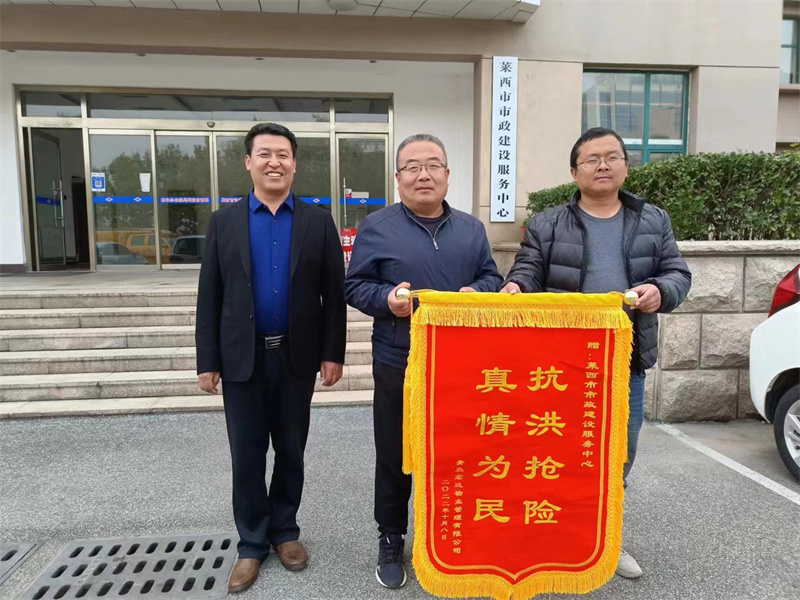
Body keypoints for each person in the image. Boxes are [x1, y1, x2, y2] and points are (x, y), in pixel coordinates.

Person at [501, 127, 691, 579]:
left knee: (616, 455)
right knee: (552, 453)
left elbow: (677, 273)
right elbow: (528, 269)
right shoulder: (548, 224)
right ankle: (549, 536)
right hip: (558, 366)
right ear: (575, 172)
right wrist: (516, 287)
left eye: (612, 157)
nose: (603, 165)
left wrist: (660, 289)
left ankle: (606, 540)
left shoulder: (652, 220)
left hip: (624, 363)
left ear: (625, 165)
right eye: (591, 159)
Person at [345, 133, 503, 589]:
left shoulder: (471, 229)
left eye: (433, 165)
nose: (423, 175)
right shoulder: (377, 226)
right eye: (412, 166)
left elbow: (492, 276)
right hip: (400, 359)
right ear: (398, 178)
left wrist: (479, 291)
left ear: (447, 176)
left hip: (463, 363)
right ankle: (391, 537)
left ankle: (458, 534)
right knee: (396, 453)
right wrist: (386, 299)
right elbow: (354, 285)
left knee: (462, 451)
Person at [195, 122, 346, 594]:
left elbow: (333, 295)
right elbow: (210, 296)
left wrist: (333, 353)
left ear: (294, 163)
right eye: (264, 154)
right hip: (242, 358)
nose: (274, 162)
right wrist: (207, 359)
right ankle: (251, 543)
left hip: (296, 357)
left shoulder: (318, 222)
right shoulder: (224, 222)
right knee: (246, 454)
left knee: (291, 450)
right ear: (248, 162)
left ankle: (285, 531)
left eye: (283, 154)